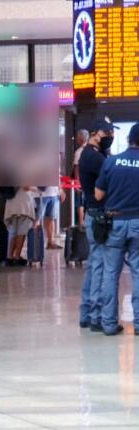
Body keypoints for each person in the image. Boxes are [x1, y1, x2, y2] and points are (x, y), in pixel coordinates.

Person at [95, 122, 139, 337]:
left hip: (115, 223)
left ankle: (110, 324)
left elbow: (98, 196)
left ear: (130, 139)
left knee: (111, 274)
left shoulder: (111, 161)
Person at [79, 118, 116, 331]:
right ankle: (96, 316)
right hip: (99, 215)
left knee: (94, 266)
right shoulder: (94, 157)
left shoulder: (93, 154)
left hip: (94, 214)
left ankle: (87, 312)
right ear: (94, 133)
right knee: (100, 266)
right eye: (106, 132)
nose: (110, 136)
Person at [4, 186, 39, 266]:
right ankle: (17, 257)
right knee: (21, 233)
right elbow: (27, 186)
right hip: (23, 204)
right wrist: (36, 188)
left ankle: (9, 257)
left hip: (12, 203)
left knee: (13, 232)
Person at [72, 129, 90, 227]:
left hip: (82, 182)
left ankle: (82, 223)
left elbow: (76, 169)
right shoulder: (92, 150)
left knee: (80, 203)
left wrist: (77, 183)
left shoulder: (78, 152)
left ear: (80, 139)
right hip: (91, 182)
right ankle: (87, 222)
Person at [39, 184, 64, 249]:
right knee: (37, 219)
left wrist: (61, 191)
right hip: (40, 194)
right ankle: (35, 245)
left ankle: (50, 242)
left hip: (54, 193)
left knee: (51, 218)